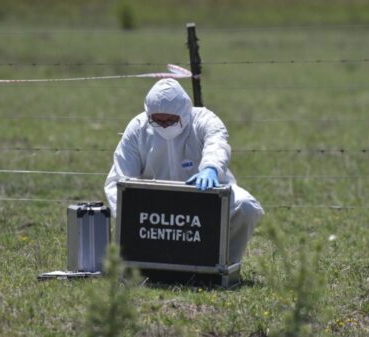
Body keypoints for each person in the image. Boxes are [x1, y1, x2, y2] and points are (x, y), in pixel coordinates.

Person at [104, 78, 264, 264]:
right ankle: (146, 262)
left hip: (206, 196)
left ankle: (224, 265)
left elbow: (217, 141)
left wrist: (211, 168)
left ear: (184, 112)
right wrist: (133, 212)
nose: (164, 126)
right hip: (155, 206)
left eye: (171, 120)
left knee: (246, 207)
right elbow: (121, 179)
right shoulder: (138, 128)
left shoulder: (204, 119)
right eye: (158, 120)